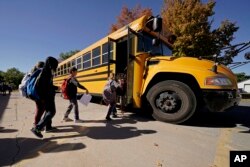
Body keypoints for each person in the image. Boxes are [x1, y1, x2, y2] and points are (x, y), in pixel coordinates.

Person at [31, 56, 59, 138]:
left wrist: (55, 88)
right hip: (47, 97)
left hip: (48, 96)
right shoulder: (45, 73)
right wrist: (42, 98)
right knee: (51, 112)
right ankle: (37, 128)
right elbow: (42, 87)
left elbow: (48, 86)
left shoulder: (47, 72)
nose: (55, 67)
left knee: (48, 112)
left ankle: (47, 127)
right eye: (55, 65)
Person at [31, 61, 46, 128]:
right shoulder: (40, 72)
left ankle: (36, 122)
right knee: (41, 110)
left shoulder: (35, 71)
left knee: (39, 109)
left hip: (34, 93)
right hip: (39, 94)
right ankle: (36, 125)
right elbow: (40, 85)